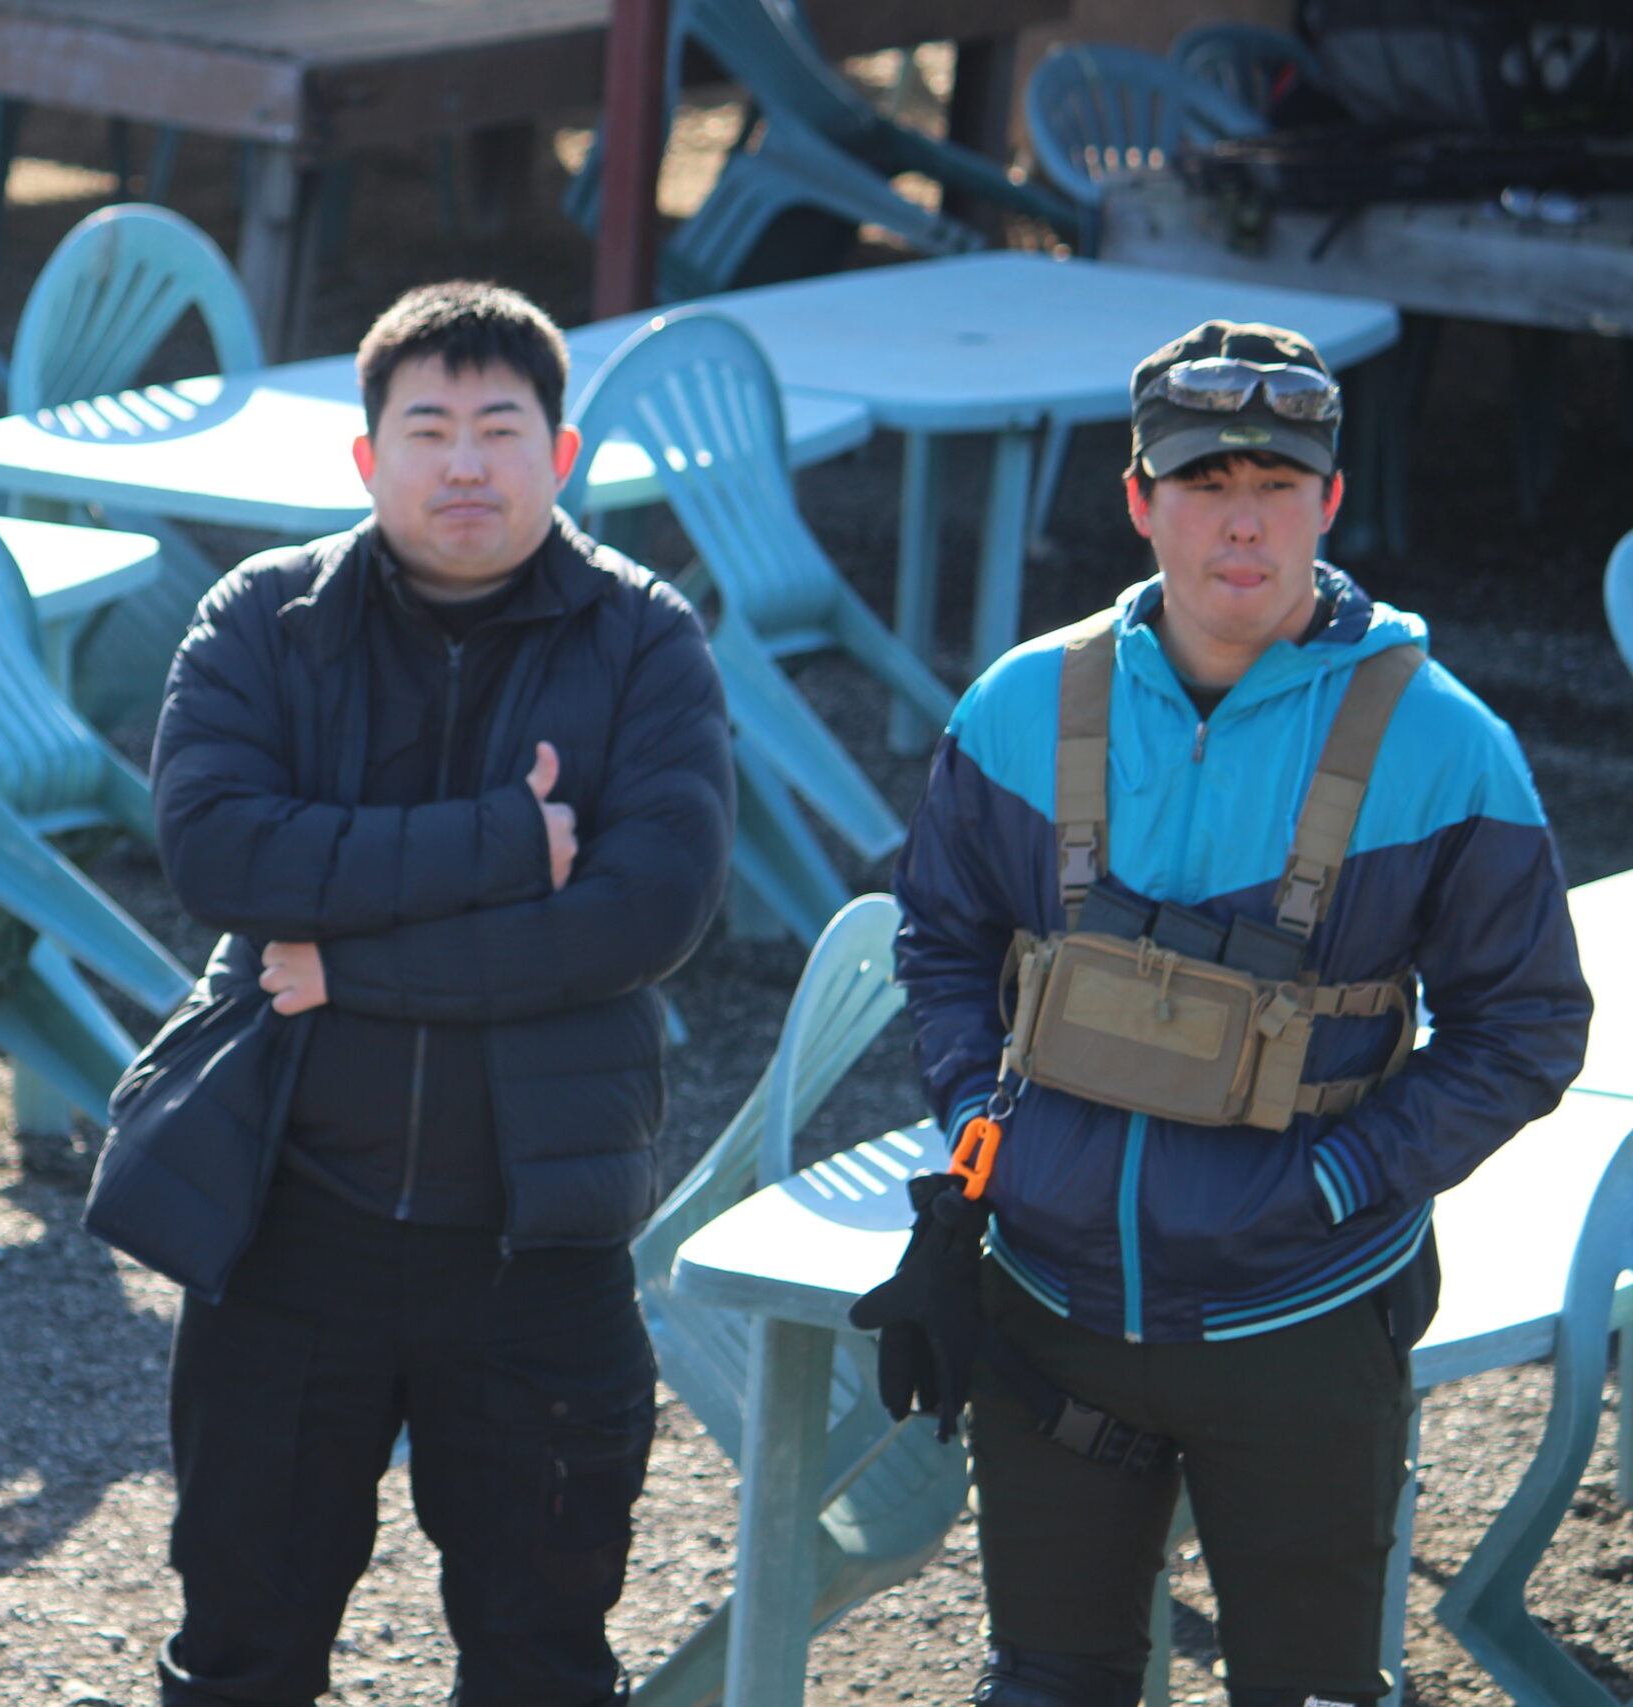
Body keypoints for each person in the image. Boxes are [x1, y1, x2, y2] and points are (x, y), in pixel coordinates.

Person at [888, 320, 1592, 1707]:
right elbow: (942, 939)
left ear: (1331, 502)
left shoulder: (1449, 744)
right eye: (1204, 484)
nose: (1243, 522)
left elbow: (1525, 1026)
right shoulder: (1016, 705)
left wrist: (1337, 1179)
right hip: (1047, 1301)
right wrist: (980, 1127)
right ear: (1138, 499)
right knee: (1042, 1686)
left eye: (1278, 485)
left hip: (1303, 1314)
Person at [140, 280, 736, 1707]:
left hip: (539, 1236)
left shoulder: (644, 640)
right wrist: (504, 844)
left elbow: (644, 915)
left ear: (563, 453)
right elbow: (216, 852)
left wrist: (349, 964)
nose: (464, 463)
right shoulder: (266, 618)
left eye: (499, 427)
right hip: (290, 1224)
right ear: (367, 457)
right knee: (240, 1650)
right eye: (427, 429)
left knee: (542, 1659)